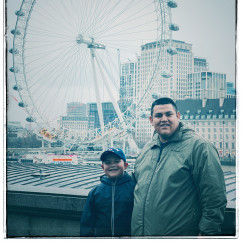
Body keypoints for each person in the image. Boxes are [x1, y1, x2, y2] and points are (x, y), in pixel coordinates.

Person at [131, 97, 227, 237]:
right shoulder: (146, 149)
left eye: (168, 114)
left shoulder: (199, 147)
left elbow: (214, 195)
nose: (164, 119)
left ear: (178, 116)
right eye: (158, 115)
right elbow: (136, 187)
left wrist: (207, 233)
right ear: (151, 121)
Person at [80, 147, 135, 237]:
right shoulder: (95, 192)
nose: (112, 165)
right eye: (108, 162)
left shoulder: (134, 189)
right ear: (103, 167)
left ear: (125, 165)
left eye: (117, 161)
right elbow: (87, 223)